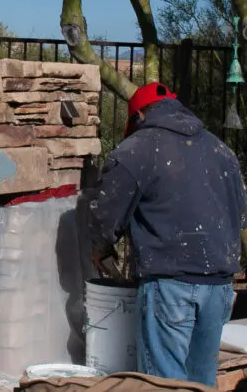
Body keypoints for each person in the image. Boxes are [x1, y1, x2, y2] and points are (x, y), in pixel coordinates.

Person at [88, 82, 246, 386]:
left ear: (138, 117)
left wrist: (101, 246)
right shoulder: (220, 149)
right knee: (200, 382)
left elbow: (106, 212)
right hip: (220, 287)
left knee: (164, 385)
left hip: (171, 286)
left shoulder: (138, 149)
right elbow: (240, 214)